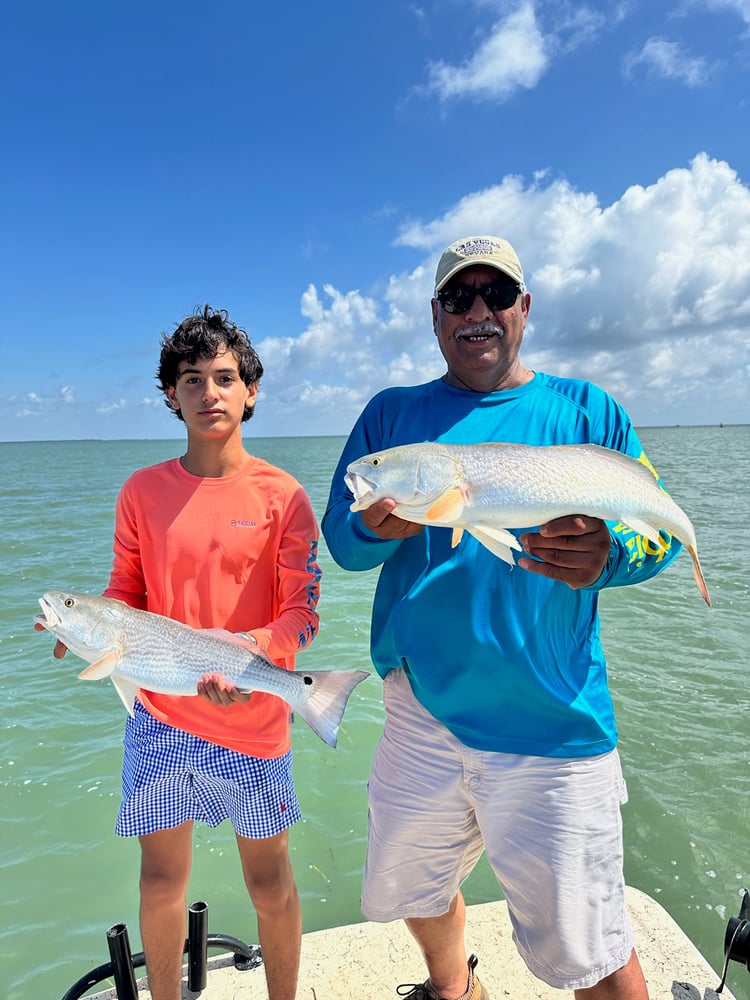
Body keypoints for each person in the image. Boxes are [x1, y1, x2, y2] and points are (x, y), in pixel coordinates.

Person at [322, 236, 684, 1000]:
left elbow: (652, 533)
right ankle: (457, 990)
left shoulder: (589, 410)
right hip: (422, 712)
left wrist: (609, 554)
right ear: (435, 316)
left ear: (524, 308)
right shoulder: (392, 417)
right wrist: (372, 528)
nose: (477, 312)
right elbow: (343, 543)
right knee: (412, 890)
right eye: (459, 298)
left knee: (592, 952)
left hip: (552, 719)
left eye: (495, 296)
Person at [42, 306, 321, 1000]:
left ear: (250, 389)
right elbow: (122, 594)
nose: (210, 393)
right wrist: (80, 631)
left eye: (225, 377)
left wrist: (250, 651)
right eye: (192, 379)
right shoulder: (141, 491)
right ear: (171, 395)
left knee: (270, 883)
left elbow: (301, 614)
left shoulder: (283, 495)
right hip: (160, 717)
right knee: (161, 882)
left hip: (254, 722)